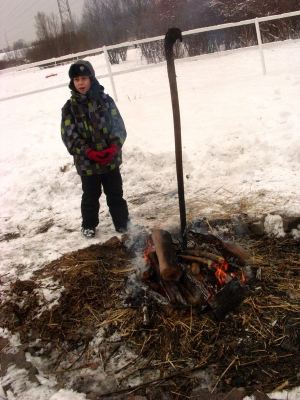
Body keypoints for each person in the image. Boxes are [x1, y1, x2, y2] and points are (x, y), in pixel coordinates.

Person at [61, 60, 129, 238]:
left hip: (110, 160)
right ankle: (89, 224)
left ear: (91, 78)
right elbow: (69, 136)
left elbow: (118, 127)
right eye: (76, 79)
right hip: (87, 163)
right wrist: (88, 152)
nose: (81, 83)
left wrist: (114, 147)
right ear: (72, 83)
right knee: (90, 196)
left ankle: (122, 223)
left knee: (115, 193)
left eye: (84, 78)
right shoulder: (69, 108)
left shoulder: (105, 101)